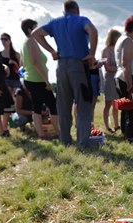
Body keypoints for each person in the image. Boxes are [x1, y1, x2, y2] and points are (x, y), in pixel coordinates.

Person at [32, 0, 98, 149]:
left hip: (61, 67)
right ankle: (82, 144)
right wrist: (92, 54)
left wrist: (52, 51)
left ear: (64, 11)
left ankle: (66, 141)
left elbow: (35, 33)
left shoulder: (55, 22)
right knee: (83, 105)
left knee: (63, 106)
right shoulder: (82, 20)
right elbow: (93, 31)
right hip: (78, 66)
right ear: (77, 10)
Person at [20, 18, 60, 140]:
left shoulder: (25, 43)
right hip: (37, 80)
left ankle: (41, 134)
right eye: (36, 27)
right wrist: (46, 81)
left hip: (30, 80)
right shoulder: (31, 41)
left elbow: (23, 63)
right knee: (53, 106)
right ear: (29, 29)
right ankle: (60, 132)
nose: (38, 30)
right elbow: (35, 62)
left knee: (36, 107)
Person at [113, 15, 133, 143]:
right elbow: (126, 63)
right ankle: (130, 136)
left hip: (124, 77)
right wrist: (129, 86)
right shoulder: (127, 41)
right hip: (131, 79)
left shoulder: (122, 39)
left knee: (127, 108)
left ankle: (126, 134)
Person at [101, 29, 121, 133]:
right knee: (108, 103)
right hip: (109, 79)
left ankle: (117, 125)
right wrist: (121, 69)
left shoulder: (117, 50)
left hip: (117, 79)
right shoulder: (106, 50)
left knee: (116, 104)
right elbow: (108, 67)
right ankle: (107, 126)